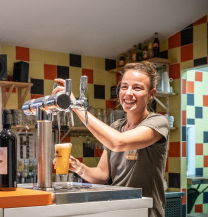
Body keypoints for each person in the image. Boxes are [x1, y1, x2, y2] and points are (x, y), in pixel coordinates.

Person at [52, 61, 169, 217]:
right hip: (118, 211)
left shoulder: (157, 123)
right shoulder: (116, 126)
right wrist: (78, 167)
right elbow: (101, 175)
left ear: (151, 94)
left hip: (145, 212)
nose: (128, 93)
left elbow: (118, 143)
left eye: (137, 88)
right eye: (124, 86)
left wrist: (76, 107)